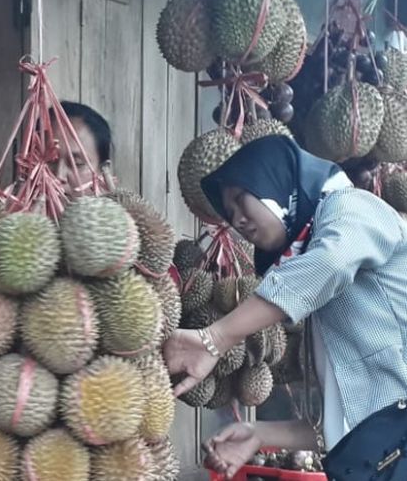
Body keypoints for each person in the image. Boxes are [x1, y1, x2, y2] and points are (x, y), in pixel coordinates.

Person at [162, 134, 407, 479]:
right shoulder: (319, 290)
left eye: (241, 199)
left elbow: (332, 262)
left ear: (274, 179)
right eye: (230, 216)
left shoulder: (351, 207)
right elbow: (348, 423)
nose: (238, 222)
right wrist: (260, 435)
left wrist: (217, 337)